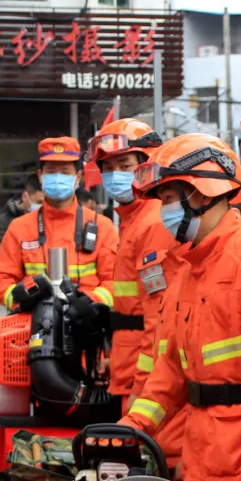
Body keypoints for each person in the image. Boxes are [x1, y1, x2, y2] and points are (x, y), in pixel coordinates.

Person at [119, 133, 241, 481]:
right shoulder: (188, 269)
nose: (164, 212)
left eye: (168, 199)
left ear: (202, 194)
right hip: (202, 460)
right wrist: (133, 428)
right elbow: (169, 371)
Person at [84, 118, 173, 411]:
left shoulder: (152, 223)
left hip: (143, 378)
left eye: (124, 165)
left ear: (147, 163)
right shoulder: (133, 220)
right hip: (129, 364)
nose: (114, 175)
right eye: (107, 168)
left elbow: (158, 318)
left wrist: (143, 386)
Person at [0, 137, 117, 312]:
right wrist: (23, 300)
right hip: (34, 327)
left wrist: (89, 303)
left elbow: (114, 280)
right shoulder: (19, 227)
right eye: (51, 172)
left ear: (78, 177)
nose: (58, 178)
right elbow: (1, 281)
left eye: (65, 172)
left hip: (87, 326)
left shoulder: (102, 226)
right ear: (41, 176)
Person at [0, 175, 44, 265]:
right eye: (39, 202)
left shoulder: (50, 219)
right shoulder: (4, 221)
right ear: (25, 196)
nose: (44, 207)